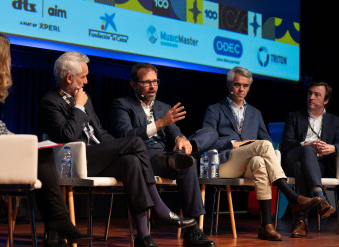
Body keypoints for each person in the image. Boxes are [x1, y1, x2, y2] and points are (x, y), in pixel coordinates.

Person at [0, 29, 90, 247]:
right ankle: (58, 222)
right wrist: (12, 136)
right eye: (6, 53)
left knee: (38, 152)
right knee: (42, 153)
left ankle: (57, 226)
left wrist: (9, 134)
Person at [39, 52, 196, 247]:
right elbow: (68, 135)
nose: (86, 81)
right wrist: (78, 108)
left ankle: (143, 236)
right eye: (83, 77)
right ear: (69, 78)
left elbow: (100, 132)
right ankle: (159, 209)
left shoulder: (84, 99)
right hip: (77, 159)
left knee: (130, 161)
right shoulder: (51, 102)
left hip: (97, 155)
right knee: (136, 143)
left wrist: (117, 148)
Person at [200, 66, 321, 241]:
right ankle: (291, 196)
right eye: (237, 84)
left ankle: (266, 225)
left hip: (247, 165)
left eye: (245, 86)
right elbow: (207, 140)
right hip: (225, 163)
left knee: (259, 162)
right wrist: (233, 143)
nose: (241, 89)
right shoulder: (214, 110)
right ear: (228, 85)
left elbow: (267, 142)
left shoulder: (255, 113)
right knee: (263, 146)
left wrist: (253, 147)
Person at [109, 63, 216, 247]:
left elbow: (173, 130)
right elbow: (125, 136)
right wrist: (159, 124)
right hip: (140, 157)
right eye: (146, 82)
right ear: (133, 84)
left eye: (155, 82)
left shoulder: (162, 106)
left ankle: (193, 230)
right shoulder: (122, 105)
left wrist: (180, 138)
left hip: (164, 155)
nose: (152, 87)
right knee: (178, 161)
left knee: (189, 161)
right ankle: (149, 231)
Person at [280, 81, 339, 238]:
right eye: (310, 93)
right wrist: (305, 144)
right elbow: (285, 143)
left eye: (317, 95)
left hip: (317, 164)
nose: (311, 97)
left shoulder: (335, 121)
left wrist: (333, 148)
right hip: (292, 156)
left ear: (326, 101)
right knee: (305, 152)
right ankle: (321, 198)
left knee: (300, 167)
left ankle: (301, 222)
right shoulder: (294, 116)